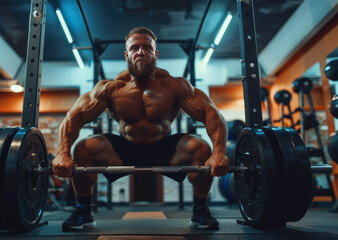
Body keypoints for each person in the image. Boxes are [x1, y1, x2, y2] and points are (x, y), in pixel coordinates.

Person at [52, 27, 229, 231]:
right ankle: (84, 210)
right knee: (84, 148)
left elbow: (211, 113)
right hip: (124, 148)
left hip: (164, 148)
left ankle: (200, 211)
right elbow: (74, 117)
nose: (141, 52)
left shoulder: (175, 86)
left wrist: (219, 153)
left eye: (147, 47)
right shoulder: (111, 88)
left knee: (201, 148)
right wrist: (62, 153)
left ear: (155, 53)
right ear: (127, 55)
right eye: (135, 47)